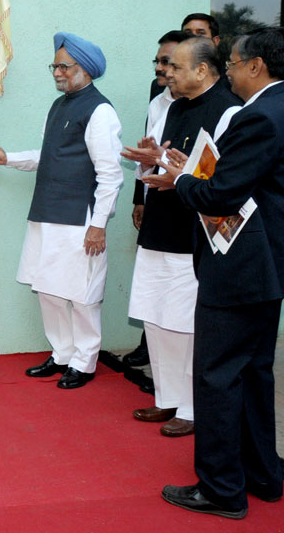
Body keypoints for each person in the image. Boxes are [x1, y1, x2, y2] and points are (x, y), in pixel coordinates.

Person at [145, 27, 284, 519]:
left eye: (234, 63)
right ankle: (264, 477)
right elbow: (245, 182)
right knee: (253, 374)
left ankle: (222, 489)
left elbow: (219, 195)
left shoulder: (259, 116)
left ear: (256, 67)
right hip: (267, 271)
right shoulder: (276, 109)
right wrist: (194, 171)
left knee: (218, 377)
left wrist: (181, 178)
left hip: (241, 269)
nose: (228, 72)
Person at [0, 32, 122, 389]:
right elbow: (50, 158)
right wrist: (9, 158)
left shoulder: (100, 110)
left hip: (80, 219)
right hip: (46, 213)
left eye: (64, 66)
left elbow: (110, 175)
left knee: (82, 293)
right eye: (55, 66)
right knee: (48, 290)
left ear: (85, 69)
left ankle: (85, 360)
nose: (57, 73)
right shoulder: (59, 105)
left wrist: (99, 225)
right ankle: (62, 354)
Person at [120, 36, 238, 437]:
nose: (167, 73)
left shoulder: (228, 110)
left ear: (202, 71)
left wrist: (180, 174)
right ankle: (166, 397)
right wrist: (152, 159)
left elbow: (225, 179)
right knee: (155, 316)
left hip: (196, 233)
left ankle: (191, 407)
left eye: (176, 67)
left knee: (186, 323)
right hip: (160, 225)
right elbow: (168, 164)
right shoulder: (172, 107)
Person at [125, 30, 195, 368]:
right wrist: (146, 170)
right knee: (152, 303)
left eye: (168, 62)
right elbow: (152, 159)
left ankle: (185, 402)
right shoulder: (158, 102)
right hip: (158, 211)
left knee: (181, 313)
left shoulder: (219, 107)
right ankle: (168, 396)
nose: (161, 69)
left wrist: (167, 167)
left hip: (190, 221)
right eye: (159, 61)